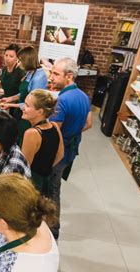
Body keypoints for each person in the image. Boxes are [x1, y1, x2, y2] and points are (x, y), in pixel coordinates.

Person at [48, 57, 92, 239]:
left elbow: (53, 131)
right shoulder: (83, 96)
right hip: (71, 149)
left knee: (52, 189)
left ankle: (52, 229)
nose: (51, 77)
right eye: (51, 72)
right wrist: (72, 131)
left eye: (56, 74)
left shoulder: (63, 100)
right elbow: (89, 123)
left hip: (58, 151)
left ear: (69, 76)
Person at [1, 46, 48, 146]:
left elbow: (32, 104)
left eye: (20, 61)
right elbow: (24, 93)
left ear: (28, 61)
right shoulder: (30, 72)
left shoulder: (39, 77)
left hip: (29, 117)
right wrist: (11, 99)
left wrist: (11, 105)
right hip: (21, 113)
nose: (18, 63)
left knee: (23, 142)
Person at [22, 89, 64, 198]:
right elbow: (60, 155)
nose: (23, 108)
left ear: (40, 112)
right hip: (46, 182)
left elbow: (23, 167)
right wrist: (44, 170)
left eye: (27, 105)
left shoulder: (32, 133)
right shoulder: (55, 126)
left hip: (31, 186)